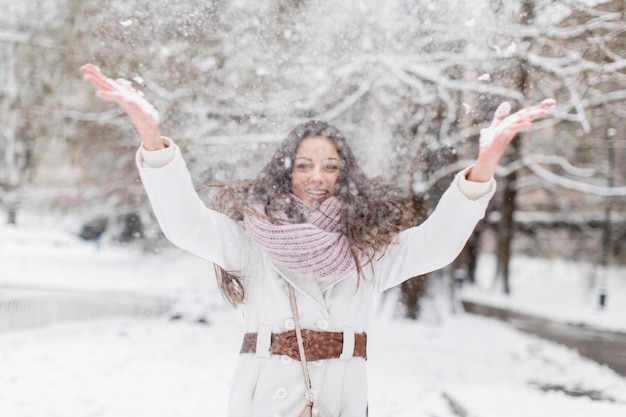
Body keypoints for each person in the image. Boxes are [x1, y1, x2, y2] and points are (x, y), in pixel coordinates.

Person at [81, 63, 555, 417]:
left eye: (330, 166)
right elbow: (185, 224)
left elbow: (437, 243)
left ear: (344, 175)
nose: (317, 177)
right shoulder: (250, 240)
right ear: (286, 171)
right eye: (304, 165)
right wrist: (151, 137)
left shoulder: (366, 251)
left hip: (341, 403)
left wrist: (485, 163)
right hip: (265, 400)